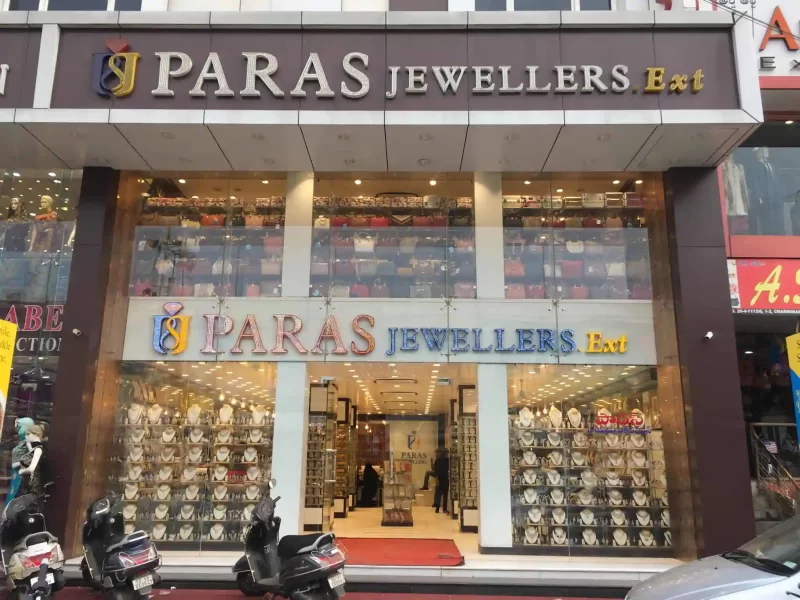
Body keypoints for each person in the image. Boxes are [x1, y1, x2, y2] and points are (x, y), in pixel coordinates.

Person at [433, 449, 450, 514]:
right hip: (445, 479)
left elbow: (436, 470)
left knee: (439, 494)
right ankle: (444, 509)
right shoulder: (447, 460)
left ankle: (437, 509)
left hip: (439, 479)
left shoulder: (438, 460)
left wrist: (436, 479)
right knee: (445, 495)